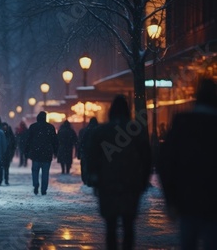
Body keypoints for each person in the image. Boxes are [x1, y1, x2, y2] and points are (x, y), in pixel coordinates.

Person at [157, 78, 217, 250]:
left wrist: (170, 199)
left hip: (187, 198)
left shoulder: (182, 123)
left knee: (188, 241)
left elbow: (166, 162)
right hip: (213, 200)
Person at [87, 95, 151, 250]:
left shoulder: (101, 132)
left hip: (108, 184)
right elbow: (146, 158)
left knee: (111, 225)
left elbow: (92, 157)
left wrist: (95, 178)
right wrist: (143, 181)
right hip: (131, 183)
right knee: (129, 225)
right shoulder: (136, 130)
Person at [25, 111, 59, 195]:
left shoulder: (33, 127)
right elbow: (55, 141)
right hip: (47, 153)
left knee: (35, 171)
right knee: (45, 172)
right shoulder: (50, 127)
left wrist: (26, 151)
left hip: (36, 153)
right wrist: (55, 151)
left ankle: (35, 184)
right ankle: (44, 189)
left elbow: (28, 140)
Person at [77, 117, 99, 186]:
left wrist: (79, 152)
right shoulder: (99, 130)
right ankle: (94, 180)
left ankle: (87, 180)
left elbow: (82, 142)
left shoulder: (86, 130)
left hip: (86, 152)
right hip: (96, 153)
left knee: (85, 166)